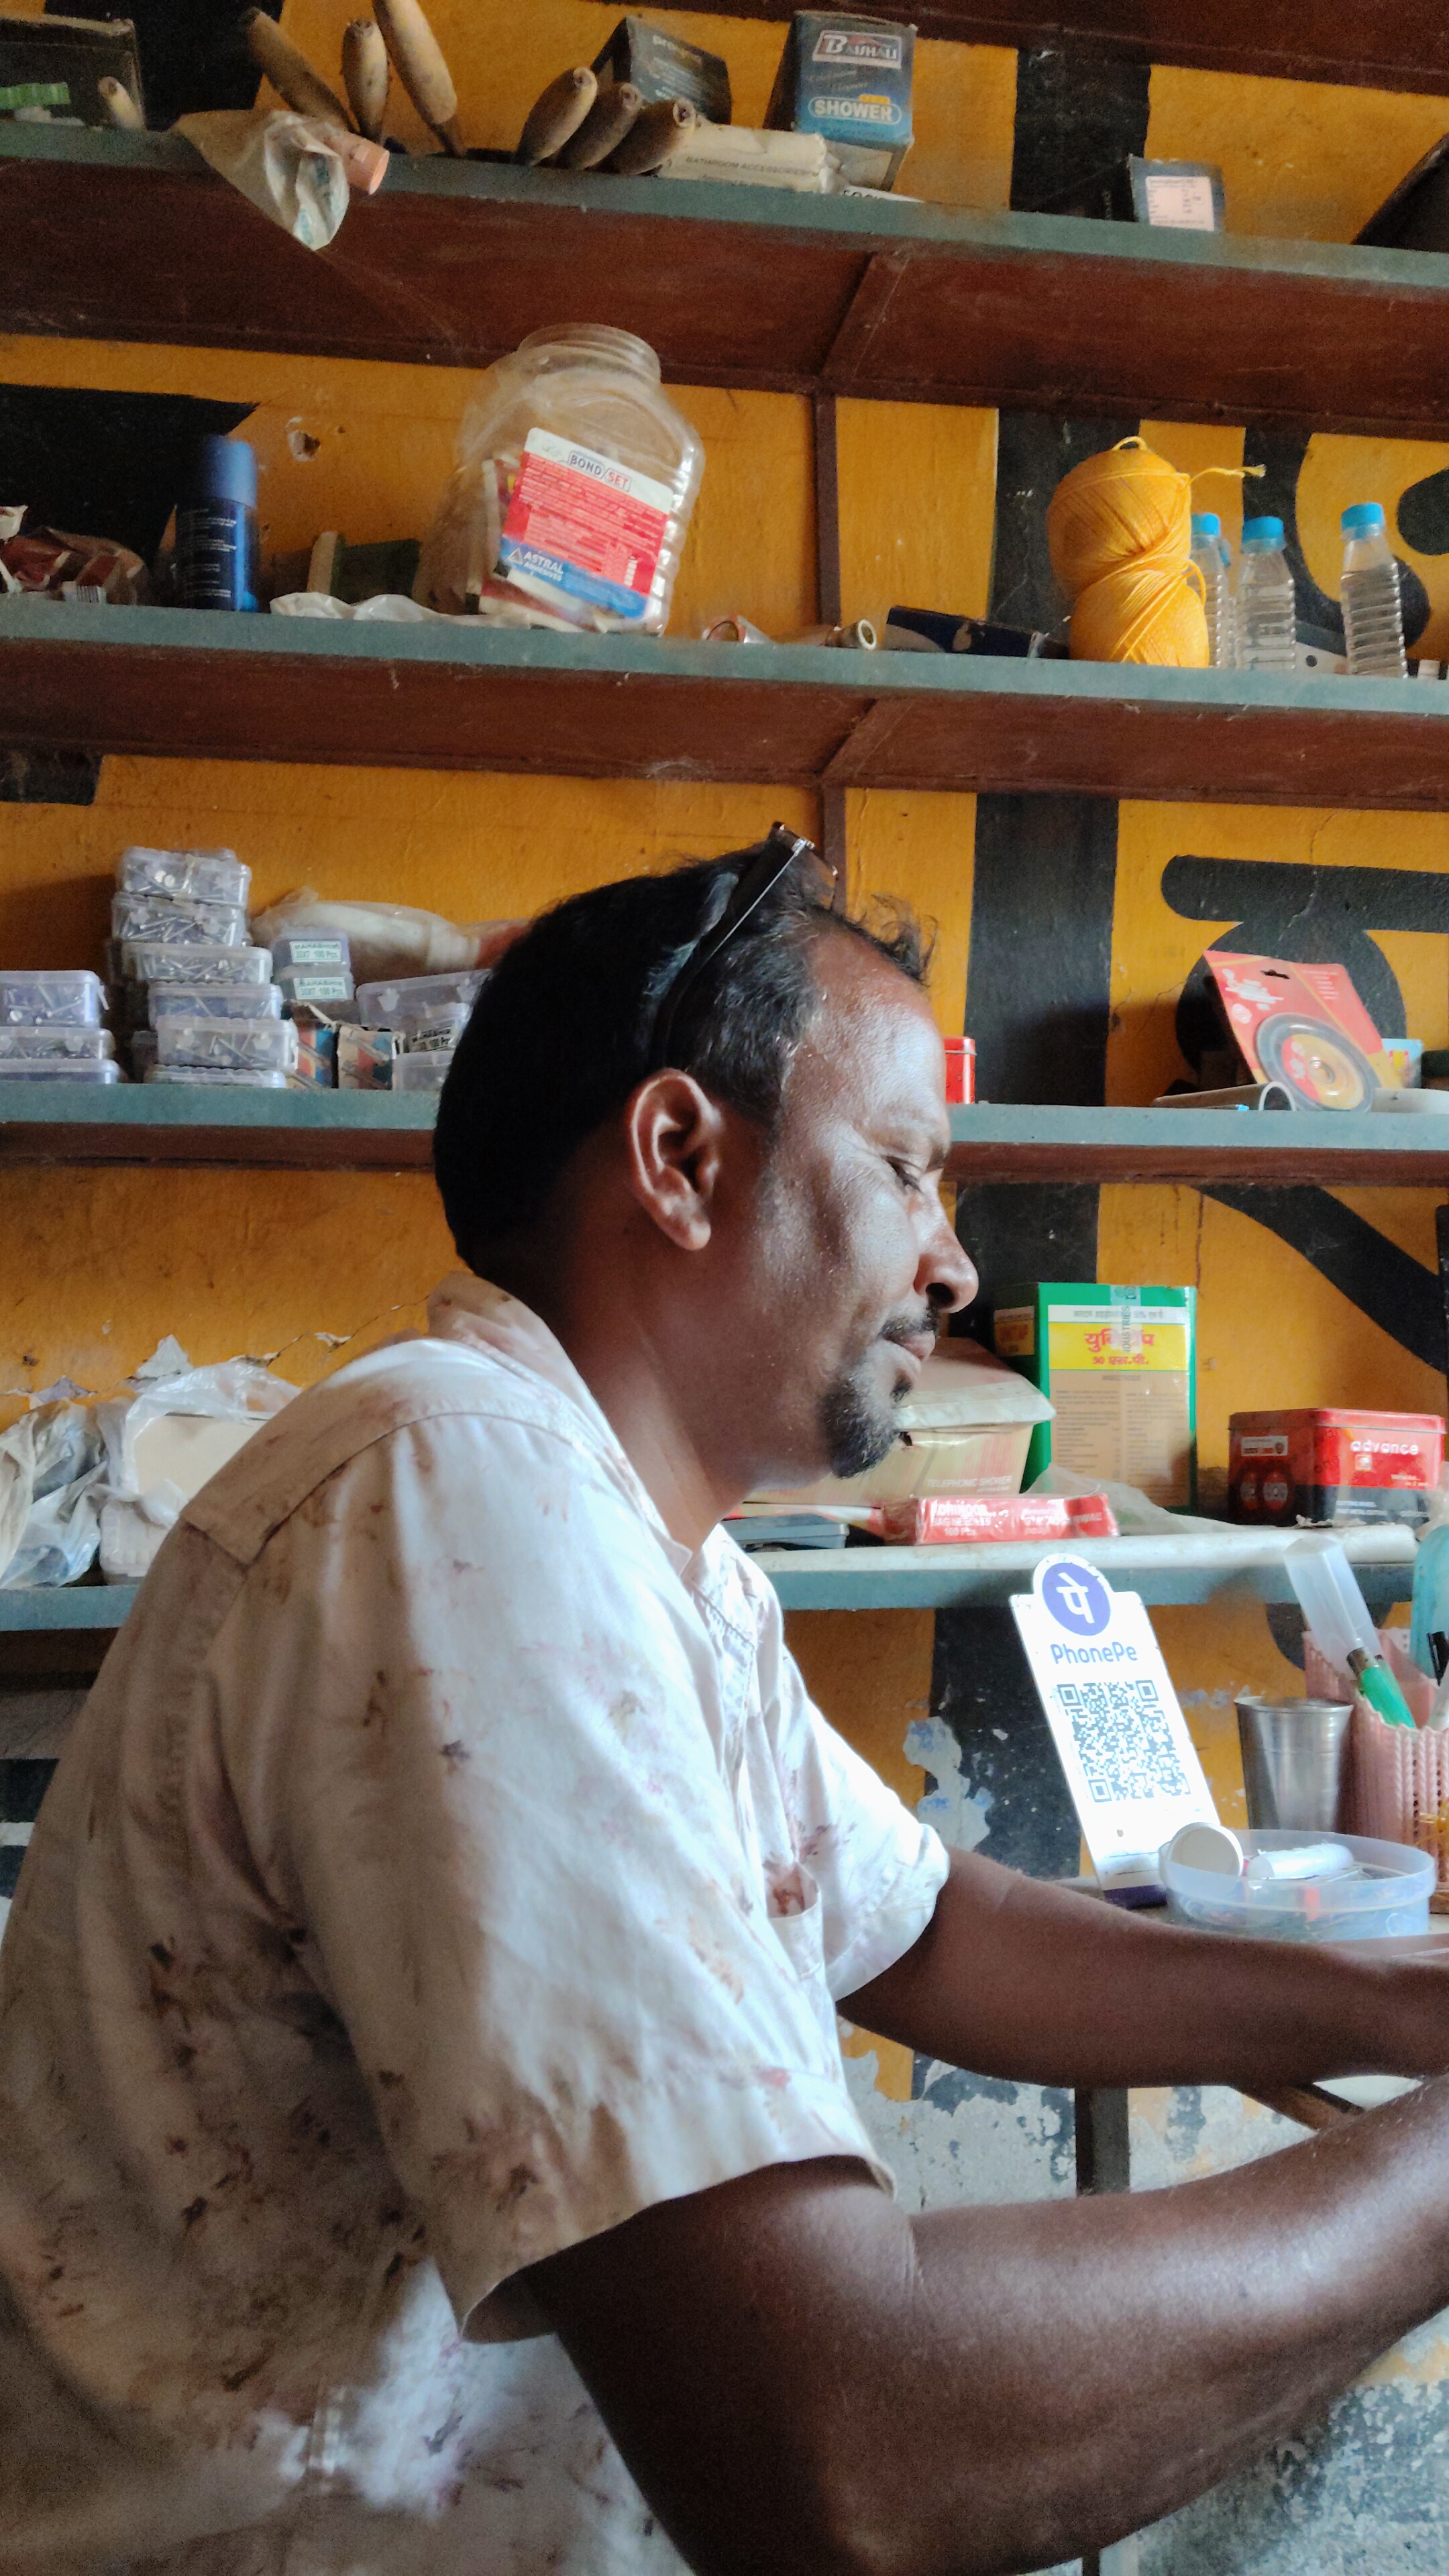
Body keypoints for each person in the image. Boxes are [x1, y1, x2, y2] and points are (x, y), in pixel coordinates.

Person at [3, 827, 1449, 2576]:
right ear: (681, 1160)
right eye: (906, 1169)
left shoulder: (667, 1556)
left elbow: (932, 1930)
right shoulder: (463, 1488)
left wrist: (1403, 2001)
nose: (953, 1268)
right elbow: (843, 2449)